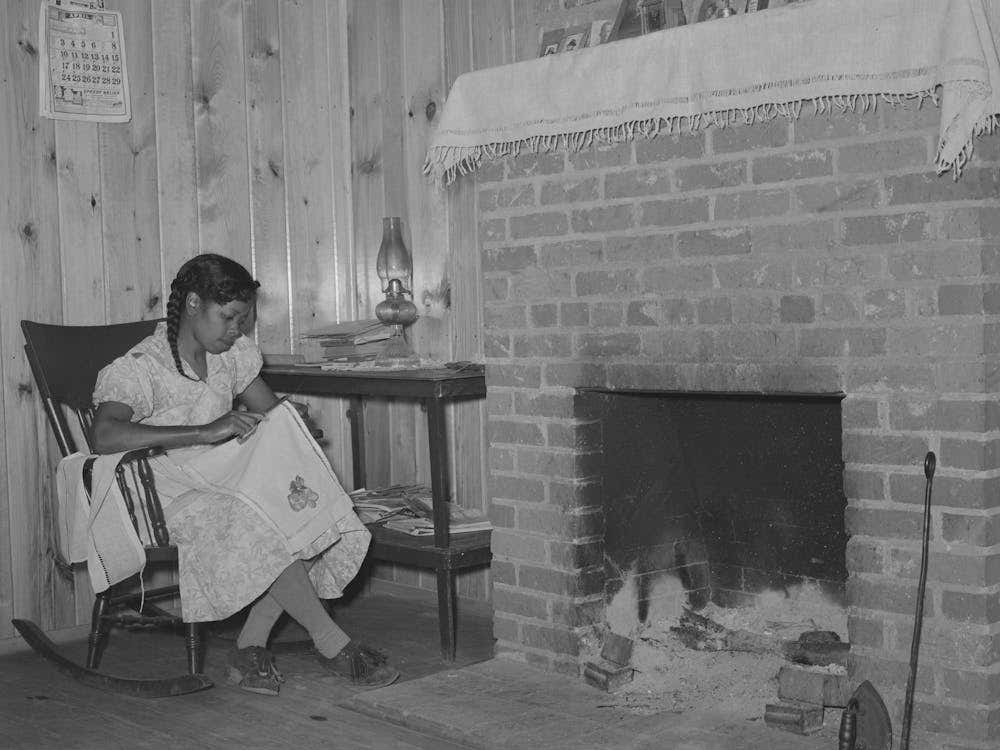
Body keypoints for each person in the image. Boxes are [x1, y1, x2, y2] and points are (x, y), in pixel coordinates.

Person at [89, 253, 399, 695]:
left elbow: (270, 409)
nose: (237, 330)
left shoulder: (229, 356)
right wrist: (205, 429)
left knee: (304, 503)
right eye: (229, 317)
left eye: (243, 320)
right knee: (260, 518)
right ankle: (331, 643)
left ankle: (250, 644)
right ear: (193, 304)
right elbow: (103, 435)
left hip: (224, 478)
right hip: (161, 493)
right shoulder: (141, 367)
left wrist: (293, 422)